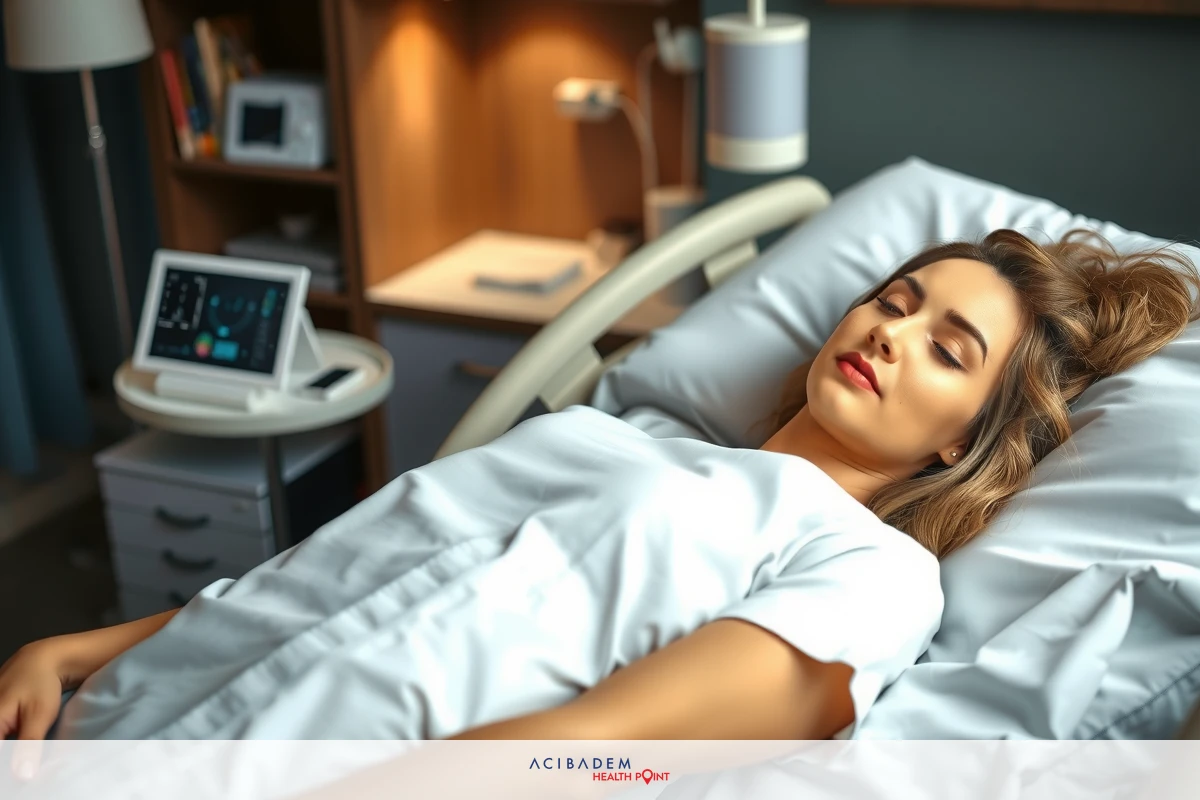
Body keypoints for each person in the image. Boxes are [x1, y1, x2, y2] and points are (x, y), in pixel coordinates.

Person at [2, 229, 1198, 753]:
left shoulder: (876, 575)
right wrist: (86, 645)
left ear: (960, 444)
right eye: (895, 299)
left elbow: (602, 750)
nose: (893, 334)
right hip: (126, 707)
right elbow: (340, 565)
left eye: (949, 350)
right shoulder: (606, 434)